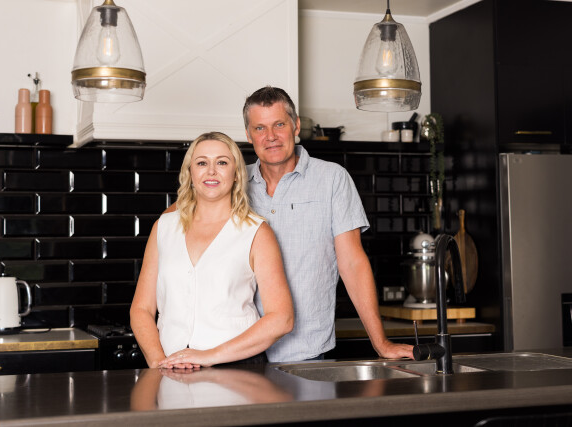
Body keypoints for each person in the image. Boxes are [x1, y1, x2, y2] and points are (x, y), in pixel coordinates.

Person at [243, 86, 414, 362]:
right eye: (260, 128)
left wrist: (381, 343)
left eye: (279, 124)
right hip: (242, 353)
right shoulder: (235, 183)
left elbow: (352, 264)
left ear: (296, 126)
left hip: (307, 352)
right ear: (248, 134)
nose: (270, 136)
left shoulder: (332, 179)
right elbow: (188, 214)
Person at [130, 131, 294, 369]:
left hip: (237, 371)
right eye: (202, 163)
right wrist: (158, 362)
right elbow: (141, 309)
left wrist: (208, 356)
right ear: (190, 173)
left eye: (222, 163)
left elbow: (282, 318)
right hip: (171, 368)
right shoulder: (163, 227)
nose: (211, 171)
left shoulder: (257, 233)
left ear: (236, 174)